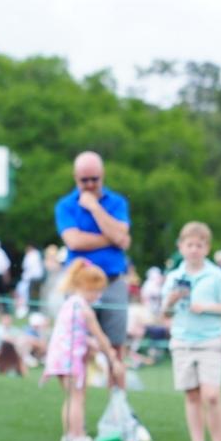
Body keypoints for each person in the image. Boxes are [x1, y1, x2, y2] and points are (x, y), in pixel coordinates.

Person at [54, 151, 131, 389]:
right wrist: (111, 236)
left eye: (94, 179)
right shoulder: (65, 205)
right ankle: (78, 413)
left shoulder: (117, 202)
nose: (89, 185)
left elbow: (123, 237)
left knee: (115, 347)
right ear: (75, 178)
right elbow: (74, 242)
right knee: (78, 347)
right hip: (80, 285)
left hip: (112, 280)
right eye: (83, 180)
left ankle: (117, 408)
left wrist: (95, 208)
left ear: (102, 176)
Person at [163, 222, 221, 441]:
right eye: (190, 245)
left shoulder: (216, 275)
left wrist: (205, 307)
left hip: (209, 340)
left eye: (199, 245)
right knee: (192, 395)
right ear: (181, 247)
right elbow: (163, 312)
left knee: (212, 395)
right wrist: (172, 300)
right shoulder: (174, 276)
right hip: (182, 340)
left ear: (206, 248)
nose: (194, 249)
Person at [42, 259, 125, 441]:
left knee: (71, 397)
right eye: (94, 291)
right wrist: (112, 357)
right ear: (82, 286)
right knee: (78, 397)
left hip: (59, 358)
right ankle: (78, 436)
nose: (97, 295)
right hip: (71, 359)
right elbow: (100, 336)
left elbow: (72, 332)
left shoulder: (69, 304)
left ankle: (69, 434)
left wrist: (89, 343)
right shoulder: (84, 308)